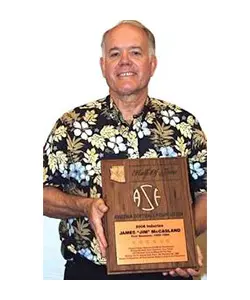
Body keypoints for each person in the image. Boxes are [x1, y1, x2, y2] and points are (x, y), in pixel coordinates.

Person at [43, 20, 207, 280]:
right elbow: (41, 195)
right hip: (90, 275)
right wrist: (85, 206)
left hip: (167, 274)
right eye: (115, 53)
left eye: (136, 52)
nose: (125, 61)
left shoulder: (184, 125)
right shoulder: (71, 125)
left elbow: (209, 196)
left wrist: (183, 242)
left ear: (152, 64)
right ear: (103, 65)